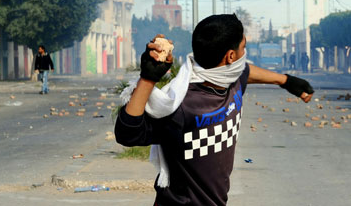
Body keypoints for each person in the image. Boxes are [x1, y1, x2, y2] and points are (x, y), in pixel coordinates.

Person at [114, 14, 314, 206]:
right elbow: (128, 134)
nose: (245, 55)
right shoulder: (184, 106)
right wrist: (148, 79)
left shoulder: (232, 82)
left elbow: (246, 72)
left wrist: (285, 81)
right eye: (243, 48)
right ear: (230, 56)